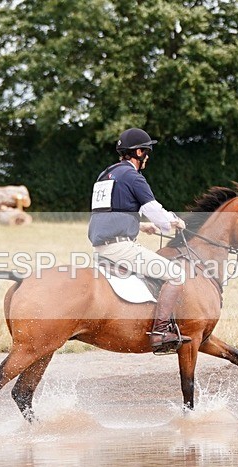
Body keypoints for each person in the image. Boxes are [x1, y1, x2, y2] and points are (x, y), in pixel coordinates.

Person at [88, 127, 189, 351]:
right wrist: (174, 221)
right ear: (139, 152)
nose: (148, 157)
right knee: (176, 274)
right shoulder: (133, 176)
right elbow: (155, 210)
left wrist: (140, 225)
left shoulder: (105, 175)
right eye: (147, 152)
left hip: (100, 246)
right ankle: (161, 331)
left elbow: (107, 211)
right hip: (119, 248)